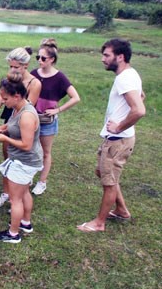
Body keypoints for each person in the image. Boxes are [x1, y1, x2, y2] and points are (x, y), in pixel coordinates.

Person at [77, 38, 145, 233]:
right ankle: (122, 210)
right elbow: (141, 97)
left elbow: (139, 109)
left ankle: (99, 223)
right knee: (103, 172)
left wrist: (119, 126)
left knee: (109, 182)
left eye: (107, 55)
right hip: (116, 139)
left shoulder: (125, 77)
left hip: (118, 140)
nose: (102, 59)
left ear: (120, 57)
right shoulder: (131, 74)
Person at [0, 47, 42, 208]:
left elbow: (26, 110)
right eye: (11, 66)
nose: (12, 70)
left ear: (25, 65)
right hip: (11, 120)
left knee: (21, 161)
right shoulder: (10, 79)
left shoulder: (34, 84)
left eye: (16, 67)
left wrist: (8, 131)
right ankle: (7, 192)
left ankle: (19, 196)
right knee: (9, 158)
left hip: (23, 124)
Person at [0, 73, 43, 243]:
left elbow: (27, 145)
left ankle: (13, 234)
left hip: (24, 162)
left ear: (17, 96)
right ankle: (25, 223)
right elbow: (14, 124)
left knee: (15, 199)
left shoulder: (27, 115)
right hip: (26, 161)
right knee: (25, 192)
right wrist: (4, 128)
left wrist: (5, 139)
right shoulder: (18, 107)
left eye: (5, 98)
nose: (2, 101)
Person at [30, 38, 80, 195]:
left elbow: (75, 97)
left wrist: (57, 110)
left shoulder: (60, 77)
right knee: (31, 148)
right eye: (38, 57)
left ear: (52, 59)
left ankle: (42, 182)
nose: (39, 61)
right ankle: (29, 175)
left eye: (43, 58)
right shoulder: (33, 74)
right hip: (32, 119)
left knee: (45, 152)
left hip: (47, 122)